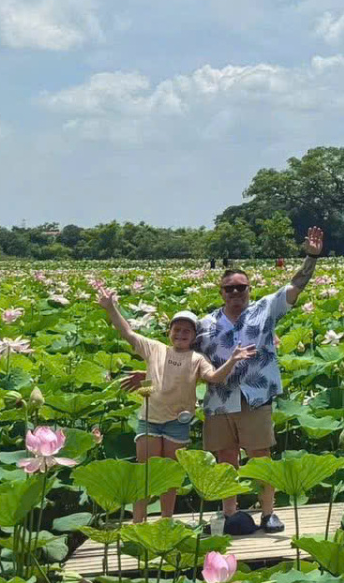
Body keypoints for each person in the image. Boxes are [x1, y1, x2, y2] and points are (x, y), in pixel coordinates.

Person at [197, 227, 324, 534]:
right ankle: (230, 514)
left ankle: (268, 513)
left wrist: (311, 258)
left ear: (249, 289)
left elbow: (295, 286)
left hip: (255, 397)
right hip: (219, 400)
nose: (236, 293)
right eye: (230, 289)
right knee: (225, 458)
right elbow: (182, 354)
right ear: (221, 292)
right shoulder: (205, 324)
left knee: (261, 457)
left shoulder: (265, 310)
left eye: (241, 287)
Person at [98, 287, 255, 522]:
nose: (181, 334)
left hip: (177, 423)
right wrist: (111, 308)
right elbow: (127, 332)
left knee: (170, 475)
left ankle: (166, 521)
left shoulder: (197, 359)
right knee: (144, 473)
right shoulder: (155, 349)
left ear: (194, 337)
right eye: (177, 329)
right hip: (150, 419)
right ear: (169, 332)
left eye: (187, 331)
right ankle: (138, 523)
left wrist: (232, 359)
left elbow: (214, 378)